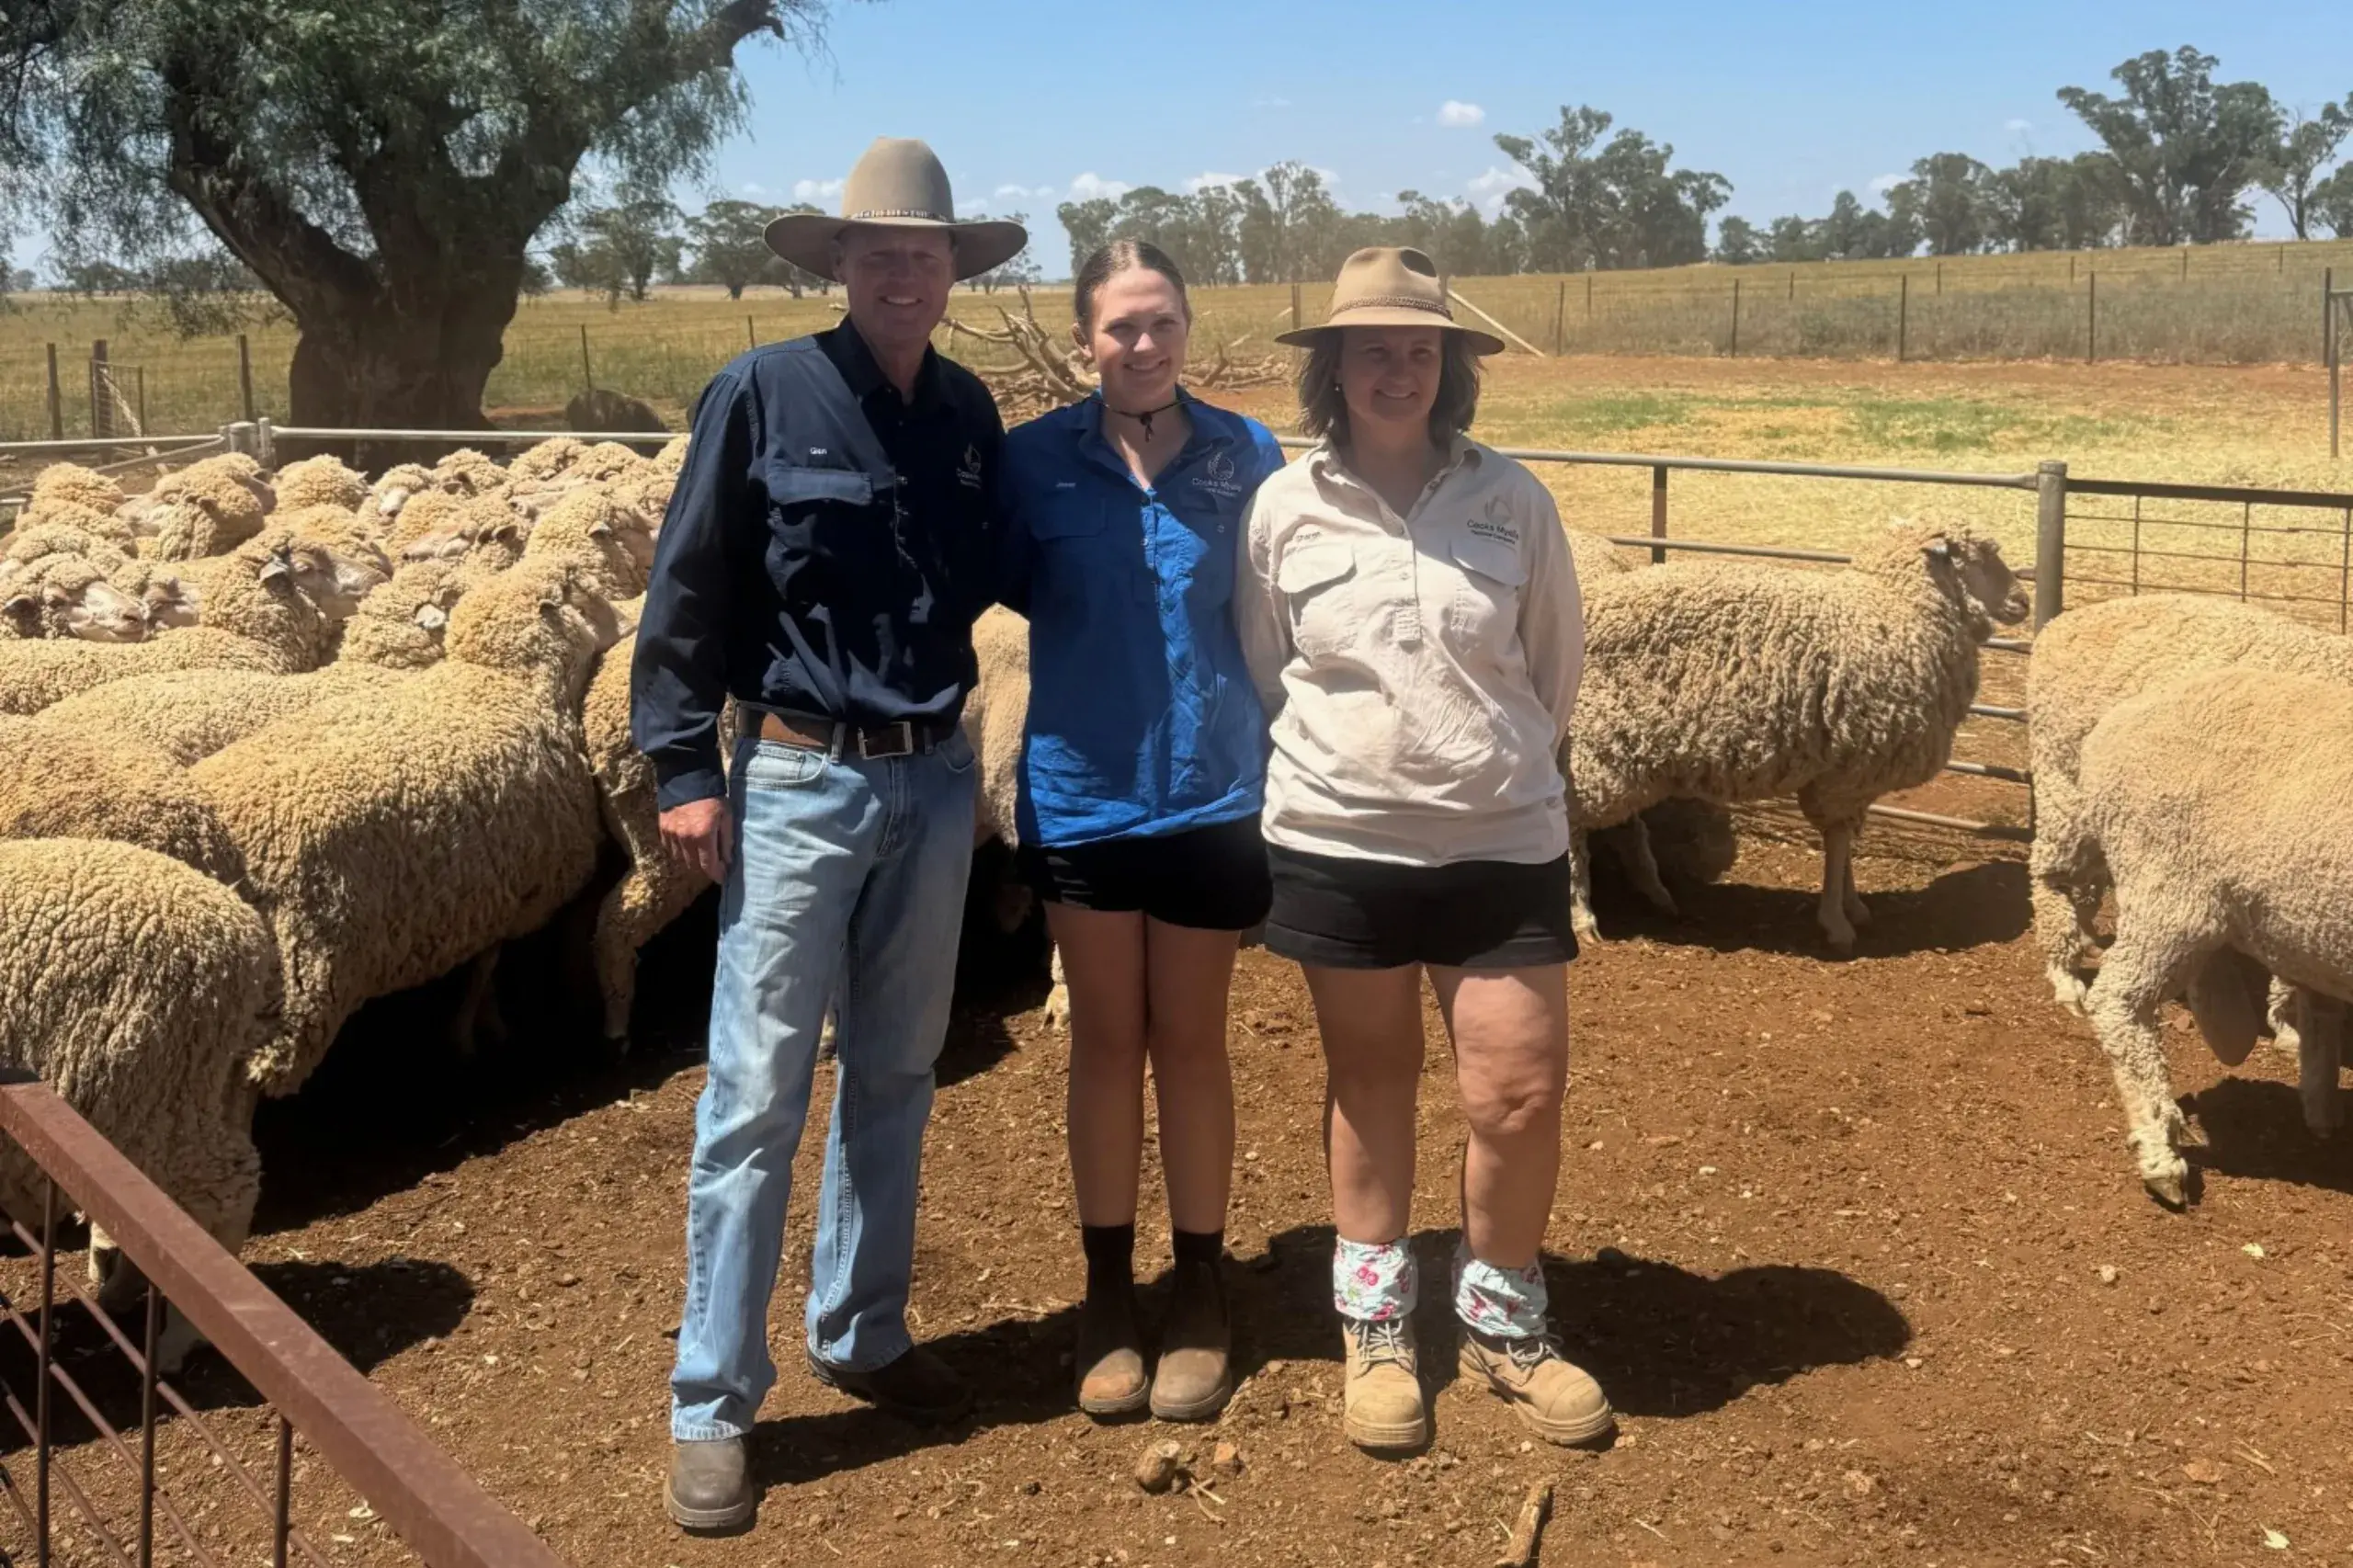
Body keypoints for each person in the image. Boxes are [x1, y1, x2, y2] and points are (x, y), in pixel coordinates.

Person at [631, 137, 1028, 1531]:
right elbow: (688, 586)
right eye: (879, 252)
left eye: (925, 252)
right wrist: (685, 765)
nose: (904, 271)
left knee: (901, 1070)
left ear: (950, 270)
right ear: (842, 266)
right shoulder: (760, 392)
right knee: (753, 1092)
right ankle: (710, 1401)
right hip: (797, 777)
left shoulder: (969, 414)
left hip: (933, 783)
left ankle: (861, 1330)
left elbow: (1003, 571)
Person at [1233, 246, 1612, 1453]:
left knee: (1517, 1086)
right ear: (1333, 369)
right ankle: (1377, 1318)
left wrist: (1480, 772)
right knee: (1372, 1074)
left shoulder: (1514, 503)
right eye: (1374, 349)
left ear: (1449, 367)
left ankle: (1503, 1315)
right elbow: (1269, 661)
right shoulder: (1286, 507)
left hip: (1500, 841)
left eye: (1420, 349)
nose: (1398, 368)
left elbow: (1551, 671)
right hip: (1341, 840)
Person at [995, 241, 1287, 1423]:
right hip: (1085, 791)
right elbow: (997, 588)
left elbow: (1273, 607)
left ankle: (1203, 1283)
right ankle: (1107, 1291)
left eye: (1160, 322)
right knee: (1105, 1040)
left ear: (1185, 326)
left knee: (1195, 1039)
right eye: (1119, 327)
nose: (1143, 344)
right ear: (1083, 342)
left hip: (1214, 795)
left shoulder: (1245, 455)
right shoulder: (1029, 465)